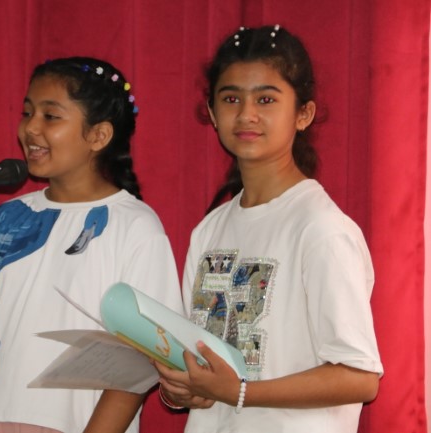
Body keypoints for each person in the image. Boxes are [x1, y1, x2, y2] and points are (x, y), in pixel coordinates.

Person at [0, 56, 183, 433]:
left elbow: (141, 362)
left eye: (50, 116)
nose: (30, 128)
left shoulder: (136, 227)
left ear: (98, 136)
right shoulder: (4, 220)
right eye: (27, 113)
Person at [152, 25, 383, 432]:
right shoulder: (209, 230)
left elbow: (359, 377)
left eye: (266, 99)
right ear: (212, 113)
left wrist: (240, 392)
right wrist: (183, 390)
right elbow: (200, 365)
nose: (246, 114)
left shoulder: (321, 228)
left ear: (303, 114)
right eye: (231, 99)